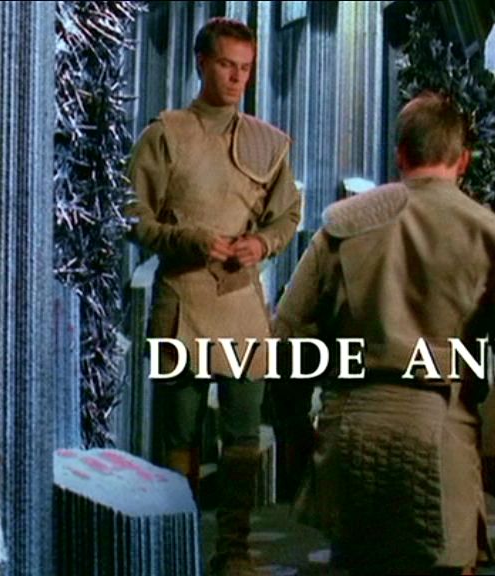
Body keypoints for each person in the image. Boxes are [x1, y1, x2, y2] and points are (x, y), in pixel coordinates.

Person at [273, 92, 495, 574]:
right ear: (463, 160)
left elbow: (288, 335)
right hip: (440, 431)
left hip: (350, 425)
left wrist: (294, 428)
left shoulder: (341, 228)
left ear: (400, 154)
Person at [125, 17, 302, 576]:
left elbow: (287, 215)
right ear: (202, 63)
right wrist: (190, 239)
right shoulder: (166, 134)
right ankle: (178, 551)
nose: (237, 78)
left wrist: (262, 243)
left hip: (241, 304)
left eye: (246, 68)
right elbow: (134, 217)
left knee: (243, 436)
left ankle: (235, 549)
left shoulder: (268, 142)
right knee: (179, 435)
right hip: (182, 299)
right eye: (227, 65)